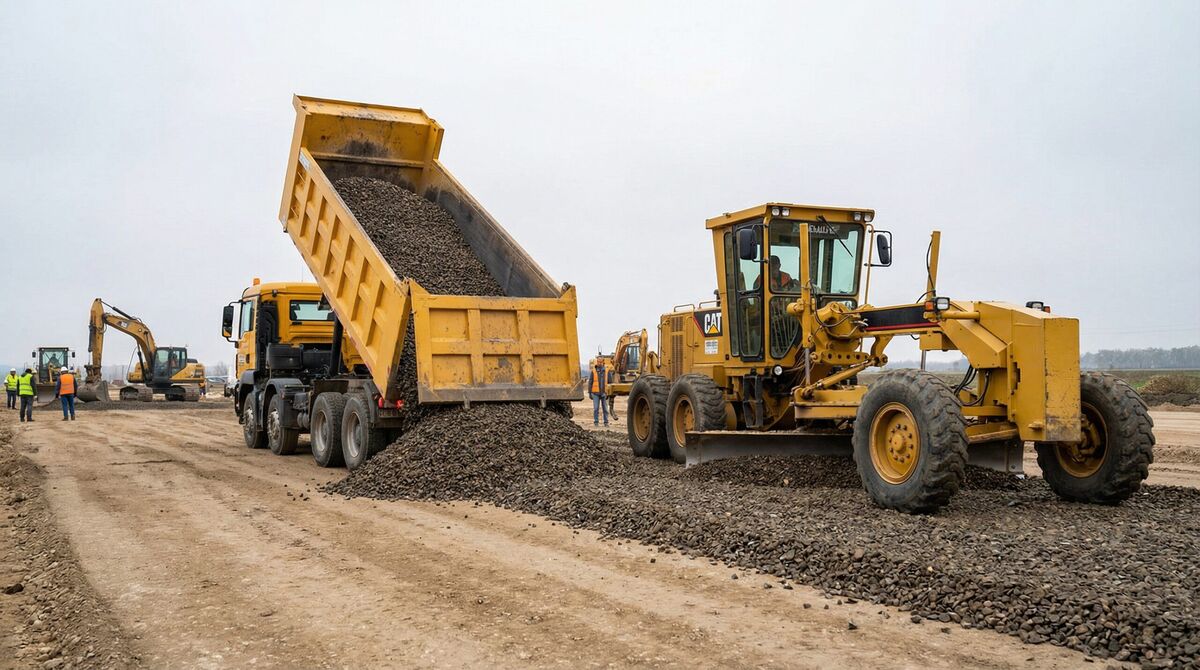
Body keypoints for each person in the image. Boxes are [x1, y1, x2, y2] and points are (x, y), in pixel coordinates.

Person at [588, 358, 609, 427]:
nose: (599, 363)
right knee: (596, 408)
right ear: (597, 362)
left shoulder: (606, 371)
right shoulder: (593, 371)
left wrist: (608, 393)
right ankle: (596, 422)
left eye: (601, 362)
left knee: (605, 409)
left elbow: (610, 383)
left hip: (604, 393)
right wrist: (589, 392)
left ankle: (606, 422)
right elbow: (590, 382)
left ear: (603, 362)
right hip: (595, 393)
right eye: (598, 362)